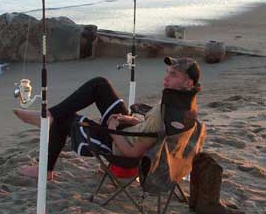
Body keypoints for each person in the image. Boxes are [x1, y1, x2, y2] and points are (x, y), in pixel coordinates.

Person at [13, 56, 201, 180]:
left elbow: (133, 153)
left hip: (118, 146)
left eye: (173, 75)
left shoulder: (168, 109)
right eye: (167, 72)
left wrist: (113, 130)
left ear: (188, 82)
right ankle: (48, 115)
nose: (166, 78)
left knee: (63, 119)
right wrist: (131, 121)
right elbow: (154, 131)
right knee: (100, 85)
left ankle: (46, 169)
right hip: (128, 131)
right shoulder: (182, 106)